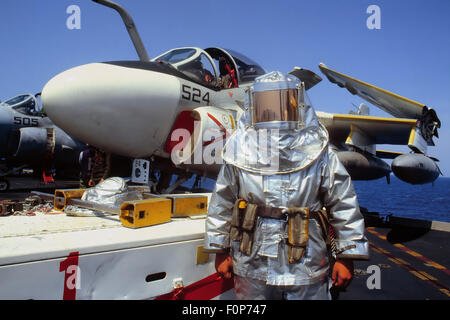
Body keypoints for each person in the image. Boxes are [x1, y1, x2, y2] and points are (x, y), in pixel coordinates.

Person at [203, 71, 369, 300]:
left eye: (282, 102)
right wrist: (219, 250)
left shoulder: (319, 152)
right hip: (251, 259)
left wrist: (347, 256)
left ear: (298, 104)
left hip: (306, 262)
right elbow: (222, 200)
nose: (274, 110)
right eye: (268, 103)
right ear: (254, 105)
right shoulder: (240, 151)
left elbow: (343, 202)